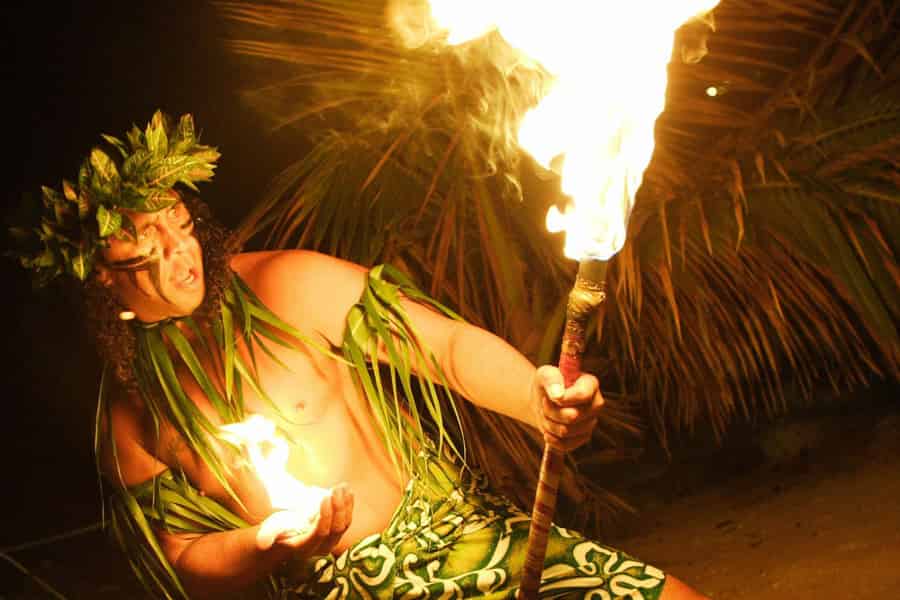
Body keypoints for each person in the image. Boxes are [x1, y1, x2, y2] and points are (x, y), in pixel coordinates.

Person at [14, 111, 707, 599]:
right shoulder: (133, 414)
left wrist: (537, 397)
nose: (182, 254)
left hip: (456, 535)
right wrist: (266, 546)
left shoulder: (288, 284)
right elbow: (186, 562)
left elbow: (448, 348)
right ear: (101, 272)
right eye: (149, 245)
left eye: (183, 226)